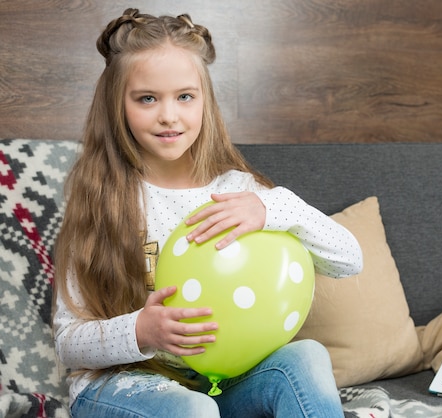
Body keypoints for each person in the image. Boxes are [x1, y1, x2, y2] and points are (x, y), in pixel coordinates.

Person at [53, 8, 362, 418]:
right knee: (194, 410)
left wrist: (274, 206)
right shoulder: (100, 197)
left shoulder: (240, 193)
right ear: (117, 105)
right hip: (120, 383)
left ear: (205, 100)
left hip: (221, 381)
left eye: (185, 96)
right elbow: (67, 340)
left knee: (306, 357)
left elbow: (349, 260)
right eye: (147, 98)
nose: (169, 115)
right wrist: (141, 330)